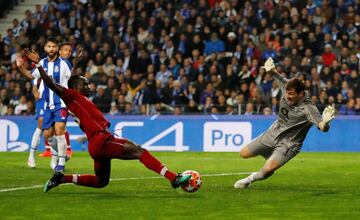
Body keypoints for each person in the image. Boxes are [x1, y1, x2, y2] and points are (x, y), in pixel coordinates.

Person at [23, 48, 192, 192]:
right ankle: (173, 178)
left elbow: (67, 79)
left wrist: (74, 61)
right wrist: (38, 64)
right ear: (75, 87)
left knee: (101, 182)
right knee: (140, 151)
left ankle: (61, 178)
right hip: (101, 140)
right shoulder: (71, 95)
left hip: (96, 143)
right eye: (85, 83)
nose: (89, 86)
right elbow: (52, 84)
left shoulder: (78, 99)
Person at [234, 58, 335, 189]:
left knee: (267, 170)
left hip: (289, 143)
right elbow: (275, 74)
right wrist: (270, 69)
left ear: (301, 94)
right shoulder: (286, 85)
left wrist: (326, 122)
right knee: (243, 154)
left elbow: (322, 127)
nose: (287, 96)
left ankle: (250, 179)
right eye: (287, 92)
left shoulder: (309, 108)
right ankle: (270, 154)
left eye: (291, 94)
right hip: (273, 132)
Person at [17, 37, 72, 172]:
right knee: (48, 135)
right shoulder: (41, 63)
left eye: (54, 46)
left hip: (61, 103)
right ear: (45, 49)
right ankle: (62, 154)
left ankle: (60, 164)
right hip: (47, 105)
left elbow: (60, 83)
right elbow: (31, 76)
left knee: (59, 132)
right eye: (49, 47)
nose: (51, 49)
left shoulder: (64, 64)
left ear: (57, 49)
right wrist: (20, 67)